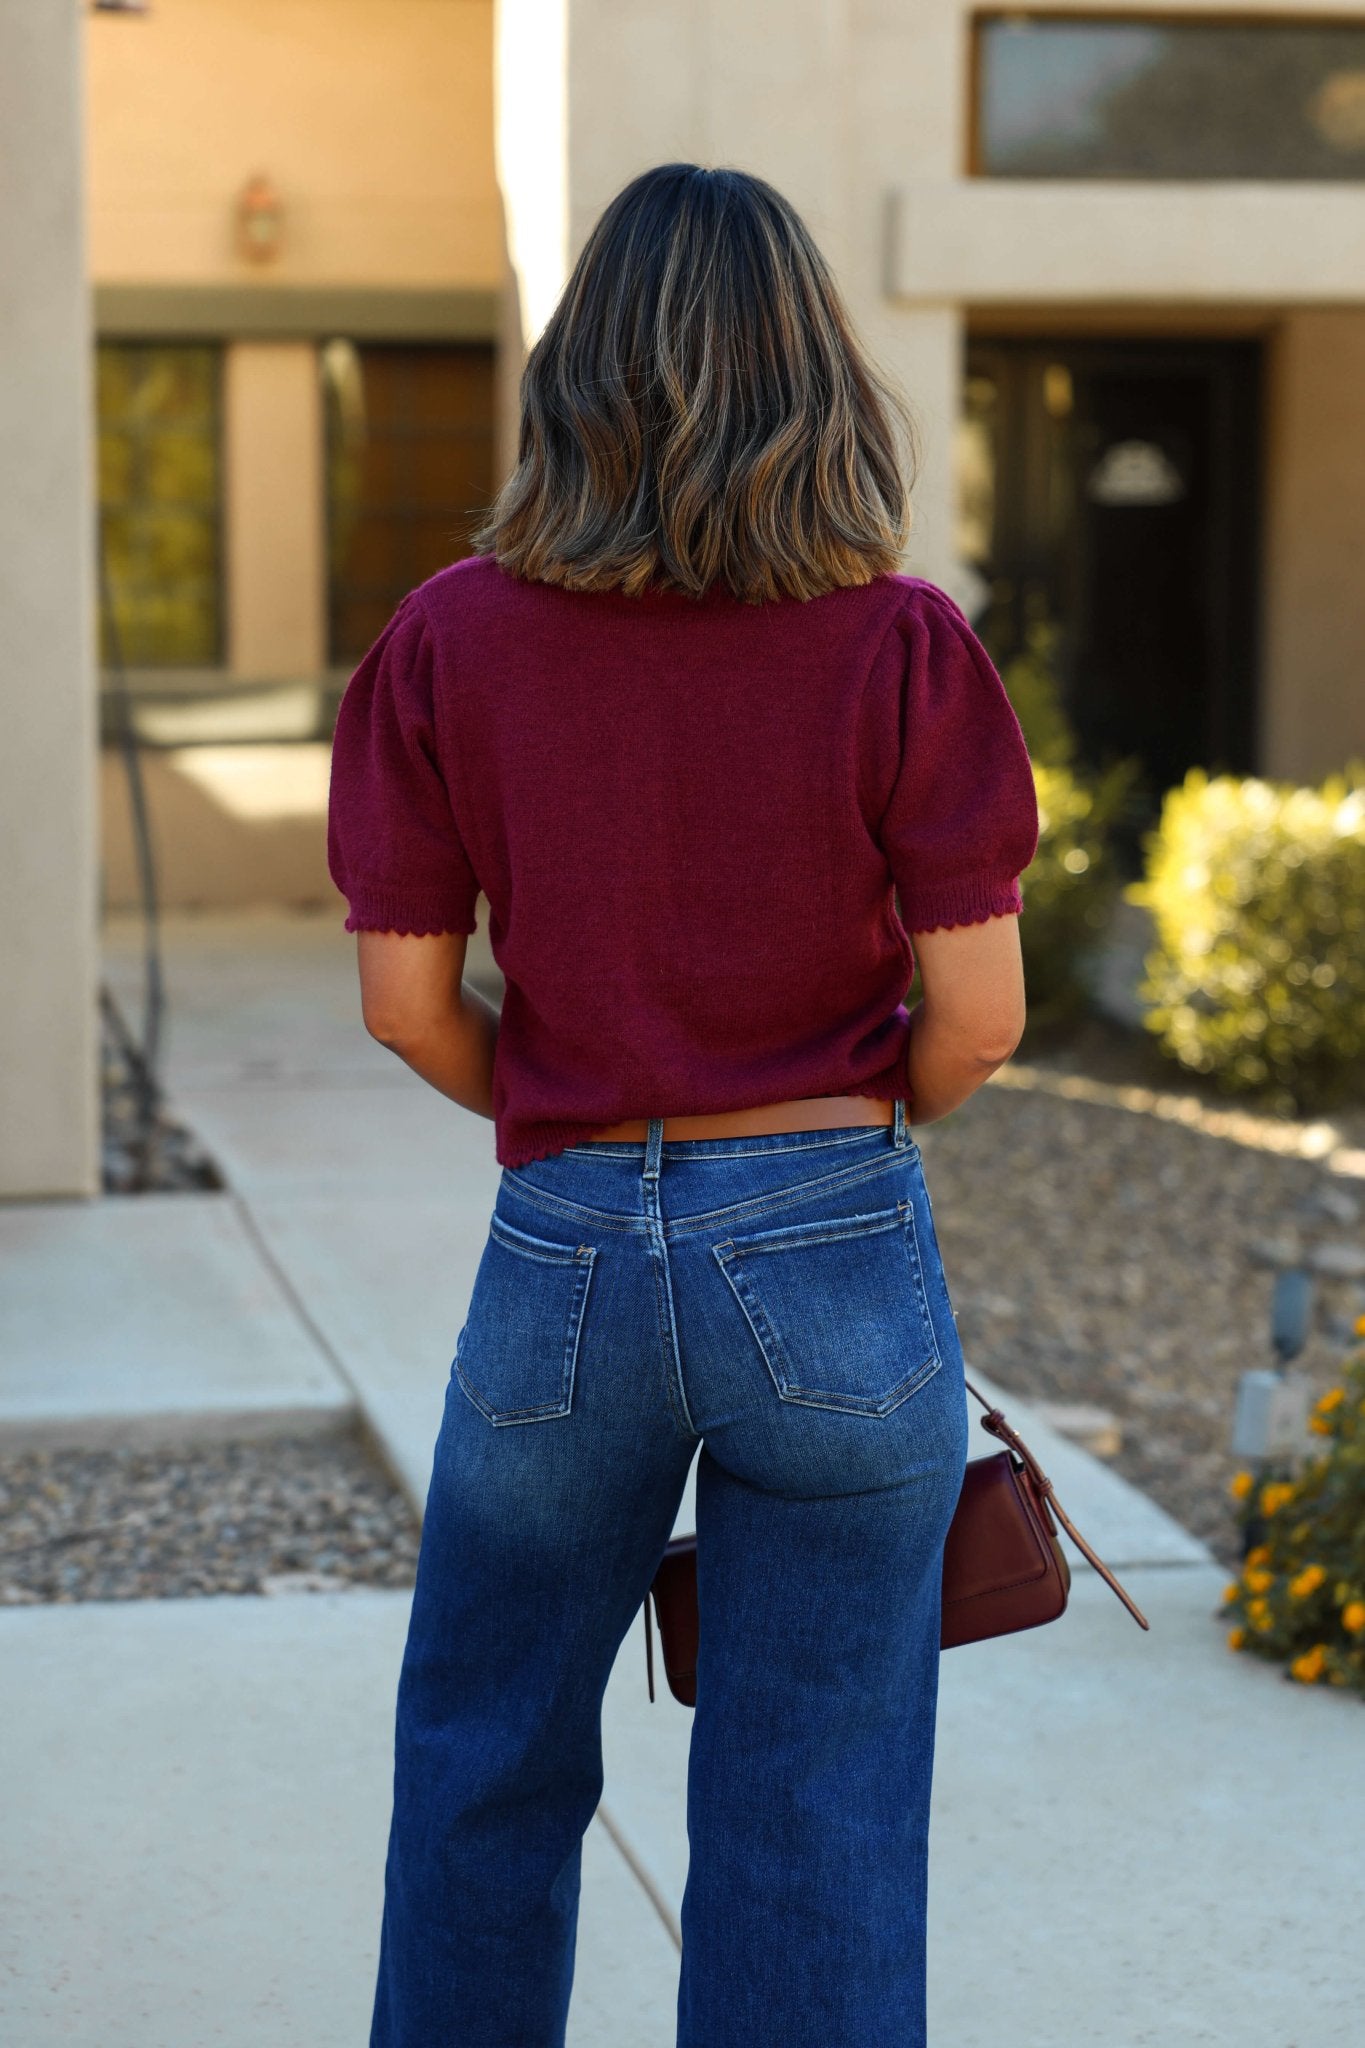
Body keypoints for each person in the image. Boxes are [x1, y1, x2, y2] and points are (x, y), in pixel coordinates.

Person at [326, 160, 1038, 2048]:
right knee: (816, 1799)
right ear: (814, 378)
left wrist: (570, 1114)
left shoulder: (445, 641)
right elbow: (975, 1018)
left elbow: (406, 1007)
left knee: (484, 1755)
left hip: (562, 1249)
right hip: (827, 1227)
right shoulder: (900, 648)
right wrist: (835, 1143)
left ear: (575, 374)